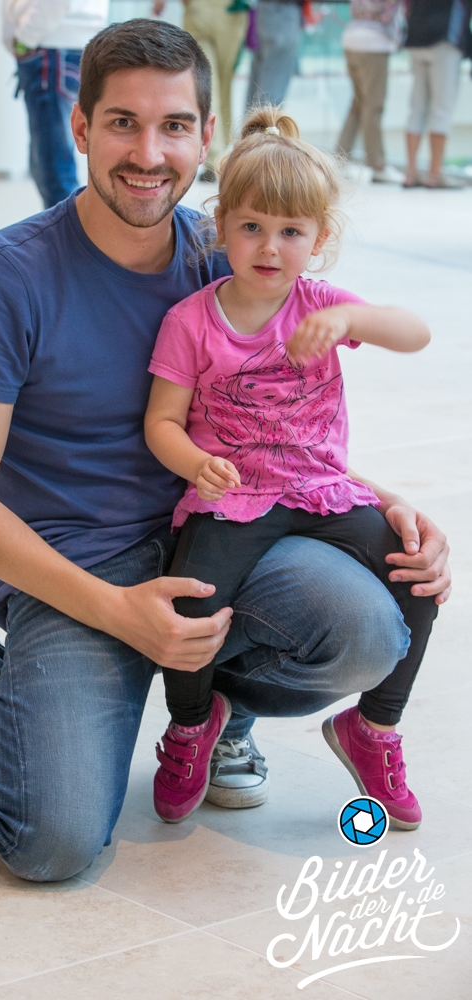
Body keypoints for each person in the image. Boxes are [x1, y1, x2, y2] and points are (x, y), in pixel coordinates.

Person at [0, 19, 450, 883]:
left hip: (223, 532)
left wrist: (385, 502)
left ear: (206, 135)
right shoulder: (2, 279)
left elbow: (269, 426)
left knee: (367, 627)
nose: (148, 153)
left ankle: (218, 711)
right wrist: (118, 611)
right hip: (81, 568)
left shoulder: (230, 254)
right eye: (121, 123)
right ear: (79, 127)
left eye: (172, 126)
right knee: (48, 843)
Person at [144, 106, 435, 827]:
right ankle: (192, 726)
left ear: (318, 239)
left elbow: (416, 333)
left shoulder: (321, 304)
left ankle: (374, 728)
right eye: (251, 226)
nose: (269, 247)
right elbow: (160, 423)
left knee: (415, 576)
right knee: (191, 602)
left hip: (320, 489)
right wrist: (196, 462)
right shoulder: (191, 320)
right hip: (234, 498)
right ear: (221, 226)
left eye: (291, 232)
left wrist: (353, 320)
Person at [3, 0, 109, 208]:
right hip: (55, 44)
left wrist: (25, 39)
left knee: (54, 166)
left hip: (52, 45)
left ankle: (70, 229)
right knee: (50, 162)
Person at [153, 0, 248, 183]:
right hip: (228, 12)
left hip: (200, 10)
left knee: (208, 79)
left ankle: (216, 152)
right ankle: (218, 153)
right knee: (221, 81)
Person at [403, 0, 472, 188]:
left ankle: (410, 171)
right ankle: (435, 173)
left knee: (416, 107)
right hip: (445, 40)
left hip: (416, 38)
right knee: (442, 108)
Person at [337, 0, 404, 184]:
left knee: (358, 104)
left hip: (351, 39)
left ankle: (339, 161)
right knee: (373, 106)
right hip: (374, 42)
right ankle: (377, 165)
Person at [247, 0, 304, 108]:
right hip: (282, 13)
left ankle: (253, 119)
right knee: (271, 92)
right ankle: (265, 119)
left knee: (259, 85)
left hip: (264, 11)